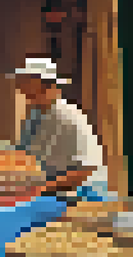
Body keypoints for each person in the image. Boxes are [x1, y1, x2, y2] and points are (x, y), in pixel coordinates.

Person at [8, 57, 110, 202]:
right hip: (49, 190)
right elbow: (24, 156)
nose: (20, 88)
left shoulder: (71, 117)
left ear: (45, 86)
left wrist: (41, 188)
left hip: (81, 194)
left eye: (25, 82)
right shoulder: (33, 117)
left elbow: (87, 169)